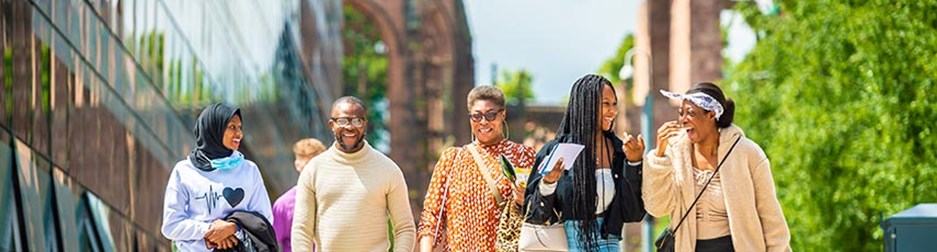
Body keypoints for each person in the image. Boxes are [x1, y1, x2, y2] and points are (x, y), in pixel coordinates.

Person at [643, 82, 791, 251]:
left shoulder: (747, 153)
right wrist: (659, 155)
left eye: (690, 113)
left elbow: (771, 217)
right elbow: (656, 208)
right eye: (681, 113)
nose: (683, 120)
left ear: (712, 114)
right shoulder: (674, 153)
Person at [525, 74, 647, 251]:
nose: (613, 111)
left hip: (610, 242)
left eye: (614, 104)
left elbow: (633, 213)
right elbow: (534, 213)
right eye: (606, 104)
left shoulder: (620, 151)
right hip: (567, 243)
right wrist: (548, 183)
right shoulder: (557, 151)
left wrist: (634, 164)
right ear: (586, 106)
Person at [417, 86, 536, 251]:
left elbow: (539, 211)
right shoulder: (452, 159)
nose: (484, 121)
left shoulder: (522, 156)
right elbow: (431, 216)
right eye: (476, 116)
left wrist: (523, 200)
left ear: (503, 114)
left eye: (490, 114)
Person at [291, 96, 416, 252]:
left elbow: (405, 228)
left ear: (365, 124)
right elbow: (302, 230)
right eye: (342, 121)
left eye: (357, 121)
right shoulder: (313, 170)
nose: (350, 127)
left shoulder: (388, 169)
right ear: (332, 125)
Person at [161, 103, 274, 251]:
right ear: (214, 129)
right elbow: (171, 225)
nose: (239, 134)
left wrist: (234, 228)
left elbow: (265, 219)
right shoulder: (184, 171)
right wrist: (210, 230)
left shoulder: (249, 170)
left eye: (240, 127)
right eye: (232, 127)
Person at [273, 138, 326, 252]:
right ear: (298, 165)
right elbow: (272, 243)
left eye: (318, 166)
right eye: (308, 166)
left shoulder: (334, 199)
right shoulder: (283, 204)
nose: (313, 172)